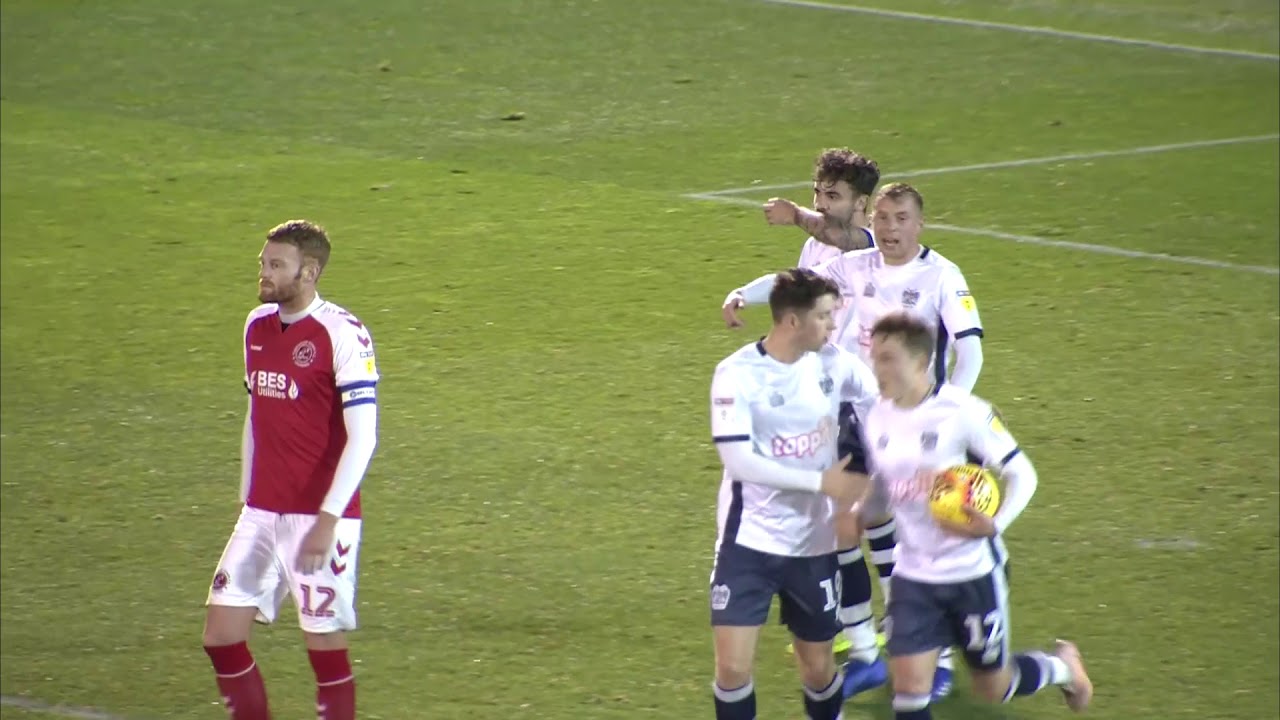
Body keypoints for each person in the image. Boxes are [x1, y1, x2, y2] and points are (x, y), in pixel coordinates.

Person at [725, 182, 985, 699]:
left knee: (922, 538)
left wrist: (946, 413)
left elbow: (970, 351)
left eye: (901, 219)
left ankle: (937, 660)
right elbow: (795, 286)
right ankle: (866, 650)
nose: (890, 228)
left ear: (920, 224)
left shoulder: (942, 276)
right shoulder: (853, 267)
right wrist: (742, 295)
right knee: (840, 526)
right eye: (883, 218)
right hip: (858, 421)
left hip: (917, 426)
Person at [847, 312, 1092, 719]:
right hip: (913, 576)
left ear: (920, 362)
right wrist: (858, 515)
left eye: (888, 358)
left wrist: (994, 525)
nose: (877, 368)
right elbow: (884, 485)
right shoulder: (875, 418)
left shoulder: (963, 412)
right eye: (874, 357)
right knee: (908, 689)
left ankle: (1062, 667)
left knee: (992, 688)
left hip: (972, 573)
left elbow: (1022, 474)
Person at [201, 220, 380, 720]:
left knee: (323, 645)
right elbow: (255, 412)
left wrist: (328, 519)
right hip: (261, 512)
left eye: (276, 265)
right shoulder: (256, 325)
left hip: (318, 518)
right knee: (220, 637)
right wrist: (246, 494)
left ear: (310, 272)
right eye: (263, 262)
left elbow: (364, 438)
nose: (264, 272)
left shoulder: (342, 333)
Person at [708, 268, 879, 720]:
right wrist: (821, 483)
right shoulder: (736, 374)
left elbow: (882, 402)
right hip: (748, 541)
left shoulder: (835, 363)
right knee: (731, 668)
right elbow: (738, 461)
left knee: (818, 668)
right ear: (792, 322)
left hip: (813, 542)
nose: (833, 325)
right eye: (824, 316)